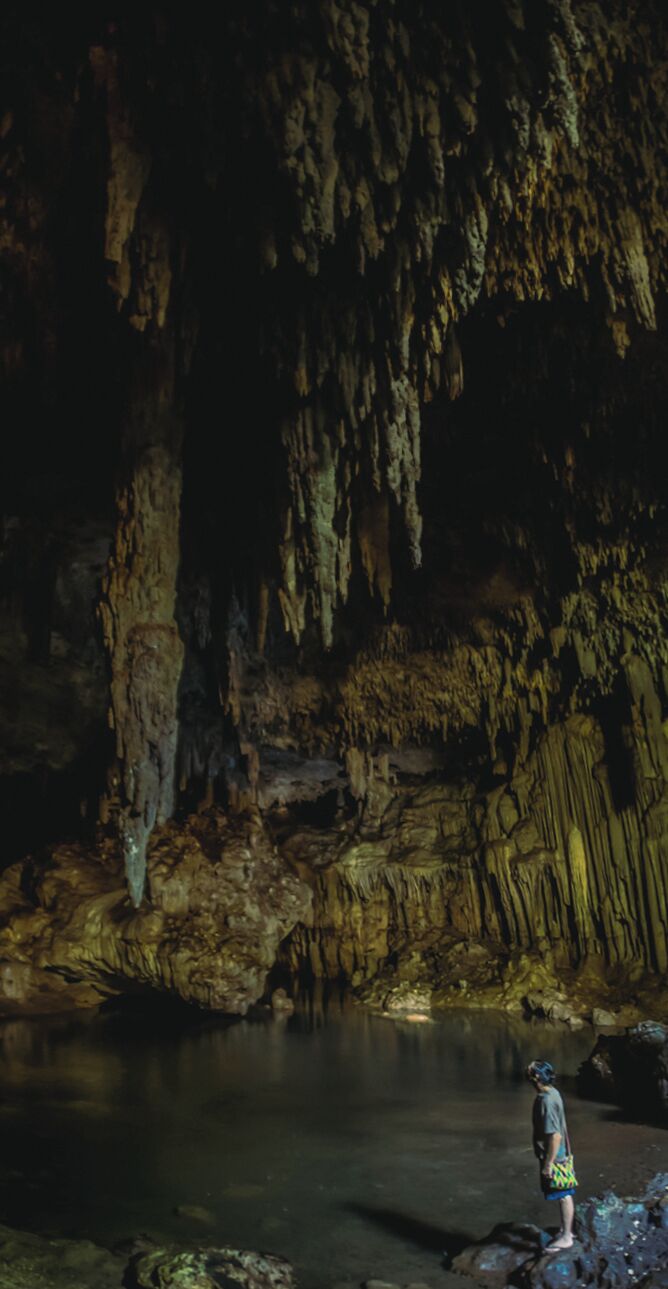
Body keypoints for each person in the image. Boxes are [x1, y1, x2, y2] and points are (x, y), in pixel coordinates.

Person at [526, 1059, 576, 1252]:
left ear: (536, 1076)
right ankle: (566, 1230)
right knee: (565, 1192)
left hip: (556, 1155)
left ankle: (566, 1237)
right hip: (561, 1153)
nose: (526, 1072)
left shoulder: (546, 1101)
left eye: (529, 1070)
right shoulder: (552, 1093)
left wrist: (548, 1164)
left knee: (563, 1194)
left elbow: (554, 1136)